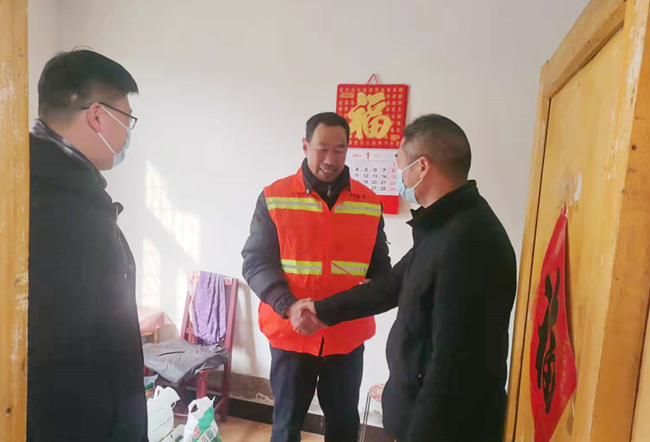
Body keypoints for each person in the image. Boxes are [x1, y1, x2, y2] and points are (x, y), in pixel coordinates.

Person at [294, 114, 517, 442]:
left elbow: (451, 365)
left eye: (399, 162)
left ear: (422, 167)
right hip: (419, 414)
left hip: (445, 428)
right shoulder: (443, 225)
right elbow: (391, 286)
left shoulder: (468, 241)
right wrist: (319, 310)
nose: (396, 171)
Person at [242, 112, 392, 442]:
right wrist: (289, 305)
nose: (330, 159)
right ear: (305, 145)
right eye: (322, 149)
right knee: (286, 426)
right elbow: (255, 263)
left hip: (345, 338)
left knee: (343, 425)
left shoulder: (369, 202)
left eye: (339, 150)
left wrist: (375, 289)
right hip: (291, 333)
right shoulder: (275, 197)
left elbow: (380, 268)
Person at [28, 50, 146, 442]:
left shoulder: (56, 181)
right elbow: (64, 352)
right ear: (97, 116)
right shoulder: (56, 204)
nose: (127, 134)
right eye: (126, 119)